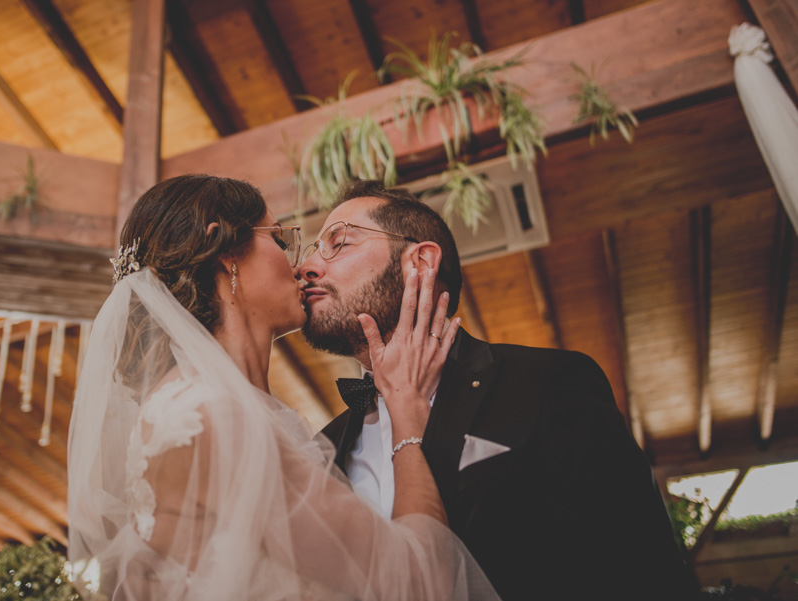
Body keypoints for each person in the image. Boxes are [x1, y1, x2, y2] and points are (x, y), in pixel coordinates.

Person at [66, 174, 500, 601]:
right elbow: (419, 583)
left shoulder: (231, 412)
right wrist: (407, 414)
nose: (301, 266)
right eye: (278, 239)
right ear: (225, 253)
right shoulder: (207, 416)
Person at [299, 180, 699, 601]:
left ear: (420, 262)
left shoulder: (548, 382)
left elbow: (642, 569)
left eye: (338, 243)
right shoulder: (322, 448)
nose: (308, 266)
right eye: (311, 250)